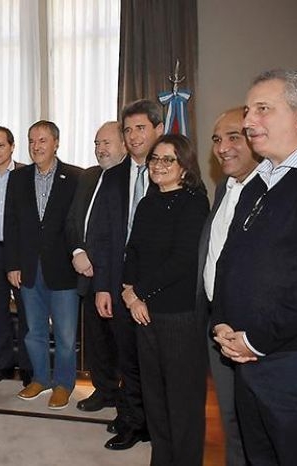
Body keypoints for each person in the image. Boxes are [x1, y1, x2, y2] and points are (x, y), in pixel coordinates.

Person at [213, 69, 297, 466]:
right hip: (246, 359)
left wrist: (255, 340)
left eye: (263, 109)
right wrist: (222, 322)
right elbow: (228, 261)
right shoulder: (256, 183)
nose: (249, 121)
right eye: (248, 110)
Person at [121, 134, 209, 465]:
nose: (158, 165)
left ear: (184, 166)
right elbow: (133, 251)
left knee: (182, 400)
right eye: (154, 159)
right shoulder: (148, 202)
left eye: (167, 159)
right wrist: (130, 294)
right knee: (154, 395)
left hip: (178, 314)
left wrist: (138, 292)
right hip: (144, 312)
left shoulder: (194, 202)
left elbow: (182, 260)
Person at [87, 99, 163, 450]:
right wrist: (103, 286)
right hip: (118, 285)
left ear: (158, 130)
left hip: (157, 288)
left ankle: (153, 420)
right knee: (127, 358)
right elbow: (101, 237)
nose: (133, 136)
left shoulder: (171, 171)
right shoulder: (113, 176)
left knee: (154, 361)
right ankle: (132, 420)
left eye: (140, 128)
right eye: (128, 129)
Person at [195, 108, 259, 466]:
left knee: (259, 424)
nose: (222, 148)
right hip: (217, 324)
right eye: (217, 139)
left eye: (234, 137)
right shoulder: (224, 188)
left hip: (253, 333)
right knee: (231, 420)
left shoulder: (270, 189)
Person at [4, 120, 82, 410]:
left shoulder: (75, 177)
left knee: (65, 334)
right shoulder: (18, 178)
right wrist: (12, 263)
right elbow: (11, 224)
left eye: (42, 140)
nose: (36, 146)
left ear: (56, 143)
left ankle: (63, 384)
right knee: (33, 331)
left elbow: (78, 224)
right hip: (28, 268)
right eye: (32, 141)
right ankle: (40, 378)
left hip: (63, 269)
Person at [66, 121, 125, 412]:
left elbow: (119, 233)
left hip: (116, 276)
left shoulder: (130, 178)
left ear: (124, 144)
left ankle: (127, 397)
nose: (100, 149)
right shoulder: (88, 176)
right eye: (97, 144)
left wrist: (96, 262)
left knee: (120, 340)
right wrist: (78, 251)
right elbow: (73, 220)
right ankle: (103, 390)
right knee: (95, 339)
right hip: (86, 274)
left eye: (106, 143)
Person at [0, 126, 32, 387]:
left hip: (20, 253)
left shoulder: (26, 175)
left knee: (26, 312)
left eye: (1, 145)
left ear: (12, 146)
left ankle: (28, 367)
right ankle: (3, 365)